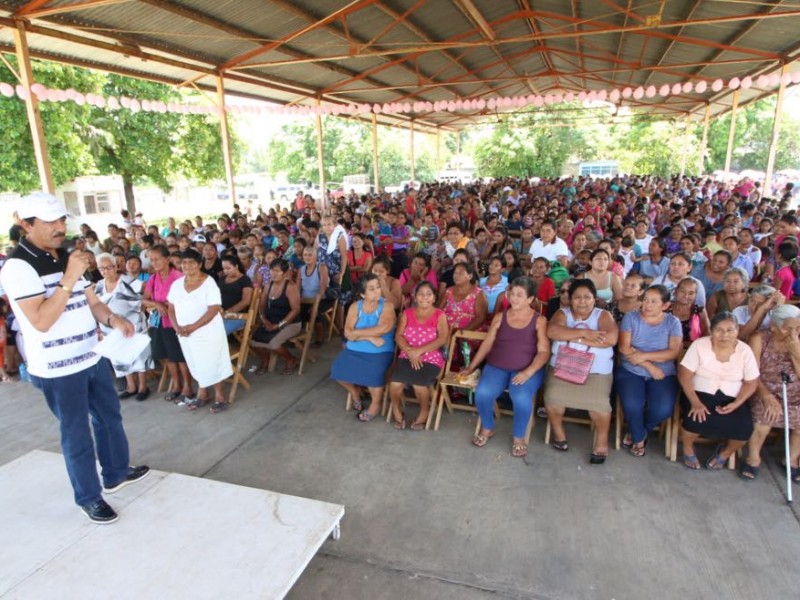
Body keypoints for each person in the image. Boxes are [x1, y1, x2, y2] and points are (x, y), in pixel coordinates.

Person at [0, 192, 148, 524]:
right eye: (50, 221)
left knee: (109, 417)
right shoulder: (18, 266)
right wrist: (67, 279)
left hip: (91, 354)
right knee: (76, 432)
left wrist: (113, 320)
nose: (59, 227)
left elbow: (92, 301)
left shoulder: (67, 254)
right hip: (57, 367)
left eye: (62, 219)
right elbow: (41, 320)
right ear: (26, 224)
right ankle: (89, 496)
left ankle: (115, 472)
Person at [461, 277, 550, 458]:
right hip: (497, 366)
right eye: (511, 294)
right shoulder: (500, 317)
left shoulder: (539, 320)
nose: (514, 298)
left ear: (530, 299)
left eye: (519, 295)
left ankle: (519, 437)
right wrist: (471, 367)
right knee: (483, 393)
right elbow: (487, 344)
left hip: (527, 369)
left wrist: (528, 372)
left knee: (520, 396)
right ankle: (488, 427)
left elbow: (543, 352)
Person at [544, 279, 618, 463]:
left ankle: (601, 442)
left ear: (595, 299)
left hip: (596, 372)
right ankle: (559, 434)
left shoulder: (603, 315)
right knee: (552, 398)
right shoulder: (563, 313)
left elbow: (610, 339)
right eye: (577, 297)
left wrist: (570, 337)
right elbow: (553, 331)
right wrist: (585, 335)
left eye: (587, 297)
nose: (582, 301)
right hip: (563, 367)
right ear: (570, 299)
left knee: (600, 406)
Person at [678, 312, 760, 470]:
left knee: (744, 429)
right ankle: (688, 449)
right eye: (719, 330)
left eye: (730, 330)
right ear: (711, 330)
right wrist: (695, 402)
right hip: (699, 393)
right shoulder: (699, 345)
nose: (725, 335)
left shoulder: (745, 351)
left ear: (737, 330)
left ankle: (724, 453)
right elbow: (684, 376)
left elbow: (751, 383)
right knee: (694, 420)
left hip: (733, 397)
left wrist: (737, 403)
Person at [616, 285, 683, 457]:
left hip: (664, 373)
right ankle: (639, 439)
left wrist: (643, 355)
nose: (648, 305)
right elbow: (624, 348)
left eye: (654, 301)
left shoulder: (672, 322)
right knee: (632, 404)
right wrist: (649, 365)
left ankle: (638, 430)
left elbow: (674, 352)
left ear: (665, 305)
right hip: (632, 370)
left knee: (662, 409)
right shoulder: (631, 318)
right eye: (645, 300)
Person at [167, 249, 234, 413]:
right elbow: (171, 308)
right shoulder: (177, 285)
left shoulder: (209, 283)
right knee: (195, 362)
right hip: (185, 333)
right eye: (184, 262)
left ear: (199, 264)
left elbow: (213, 310)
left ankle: (220, 396)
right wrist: (177, 327)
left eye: (191, 262)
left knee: (212, 362)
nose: (187, 266)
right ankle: (203, 393)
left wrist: (192, 327)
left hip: (207, 332)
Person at [741, 304, 800, 480]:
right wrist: (767, 396)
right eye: (787, 328)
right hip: (763, 388)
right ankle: (753, 458)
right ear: (773, 326)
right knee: (765, 419)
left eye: (797, 327)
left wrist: (796, 352)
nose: (793, 332)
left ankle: (791, 459)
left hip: (794, 390)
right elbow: (752, 373)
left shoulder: (797, 340)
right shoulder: (759, 338)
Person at [330, 273, 397, 422]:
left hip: (380, 350)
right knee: (337, 371)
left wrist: (357, 334)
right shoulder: (355, 306)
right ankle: (355, 392)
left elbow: (384, 328)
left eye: (378, 287)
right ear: (362, 294)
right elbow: (347, 332)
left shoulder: (387, 305)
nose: (377, 291)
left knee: (374, 375)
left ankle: (375, 405)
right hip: (355, 349)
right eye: (372, 289)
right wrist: (369, 337)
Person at [388, 282, 449, 430]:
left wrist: (419, 351)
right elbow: (399, 336)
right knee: (395, 384)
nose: (425, 297)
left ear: (434, 298)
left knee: (419, 385)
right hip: (407, 355)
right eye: (421, 294)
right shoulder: (407, 313)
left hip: (431, 358)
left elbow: (442, 339)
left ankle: (424, 410)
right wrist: (410, 352)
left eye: (429, 294)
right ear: (415, 296)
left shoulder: (439, 315)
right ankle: (396, 409)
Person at [95, 252, 152, 401]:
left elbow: (144, 294)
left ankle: (143, 387)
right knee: (120, 357)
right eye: (102, 268)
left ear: (115, 267)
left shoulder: (128, 281)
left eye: (109, 267)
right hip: (110, 329)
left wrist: (147, 305)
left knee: (139, 356)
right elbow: (96, 306)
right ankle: (131, 386)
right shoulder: (99, 286)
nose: (106, 271)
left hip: (133, 325)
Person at [142, 244, 193, 403]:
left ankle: (188, 387)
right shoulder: (153, 278)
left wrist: (167, 305)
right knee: (168, 356)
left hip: (176, 322)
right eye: (151, 260)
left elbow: (187, 299)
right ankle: (177, 385)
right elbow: (144, 300)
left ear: (167, 259)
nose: (154, 262)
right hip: (158, 322)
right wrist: (156, 304)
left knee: (179, 356)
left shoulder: (178, 276)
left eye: (157, 259)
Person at [250, 258, 302, 375]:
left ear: (285, 273)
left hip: (291, 323)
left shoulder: (291, 287)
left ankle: (291, 359)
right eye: (272, 270)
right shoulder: (268, 285)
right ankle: (265, 359)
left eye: (277, 271)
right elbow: (262, 306)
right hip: (270, 322)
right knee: (253, 342)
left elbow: (295, 310)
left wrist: (278, 325)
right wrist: (264, 320)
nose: (273, 273)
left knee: (273, 343)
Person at [439, 262, 487, 333]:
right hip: (446, 332)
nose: (456, 276)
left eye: (461, 273)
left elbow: (480, 318)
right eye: (455, 273)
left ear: (470, 276)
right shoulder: (448, 291)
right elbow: (439, 311)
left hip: (468, 333)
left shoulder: (478, 293)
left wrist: (462, 332)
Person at [668, 278, 711, 348]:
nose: (686, 296)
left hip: (692, 350)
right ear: (676, 291)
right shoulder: (665, 308)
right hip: (666, 350)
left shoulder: (700, 311)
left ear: (695, 295)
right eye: (682, 291)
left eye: (691, 293)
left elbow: (707, 333)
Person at [218, 254, 254, 335]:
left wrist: (228, 311)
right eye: (224, 269)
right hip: (220, 314)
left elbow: (246, 301)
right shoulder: (222, 279)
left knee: (219, 332)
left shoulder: (245, 280)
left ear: (236, 266)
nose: (225, 271)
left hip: (238, 315)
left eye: (228, 268)